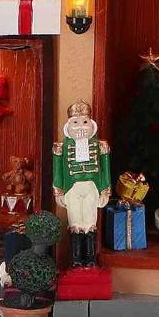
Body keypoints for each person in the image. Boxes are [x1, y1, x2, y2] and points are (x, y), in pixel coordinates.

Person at [52, 101, 112, 267]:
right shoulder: (61, 147)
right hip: (72, 189)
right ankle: (77, 259)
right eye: (76, 122)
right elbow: (58, 170)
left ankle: (90, 258)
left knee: (90, 223)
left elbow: (105, 169)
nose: (80, 127)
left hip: (92, 187)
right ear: (68, 125)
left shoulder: (100, 145)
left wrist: (105, 190)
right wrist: (58, 190)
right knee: (75, 223)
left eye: (84, 122)